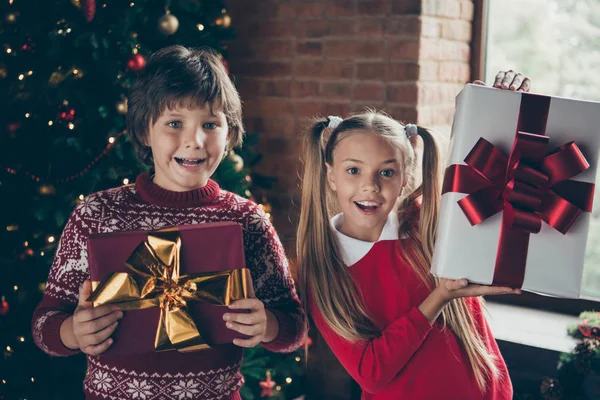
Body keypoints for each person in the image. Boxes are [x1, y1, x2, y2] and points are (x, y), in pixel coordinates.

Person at [32, 45, 306, 400]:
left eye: (210, 124)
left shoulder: (247, 220)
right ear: (145, 131)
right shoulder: (96, 215)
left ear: (229, 133)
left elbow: (295, 327)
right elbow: (44, 325)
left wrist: (268, 325)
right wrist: (72, 333)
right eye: (175, 123)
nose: (194, 140)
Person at [296, 71, 531, 399]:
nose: (370, 185)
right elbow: (371, 373)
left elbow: (496, 189)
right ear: (331, 176)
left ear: (405, 179)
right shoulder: (323, 268)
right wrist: (439, 298)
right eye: (354, 170)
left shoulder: (429, 223)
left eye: (387, 172)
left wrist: (493, 113)